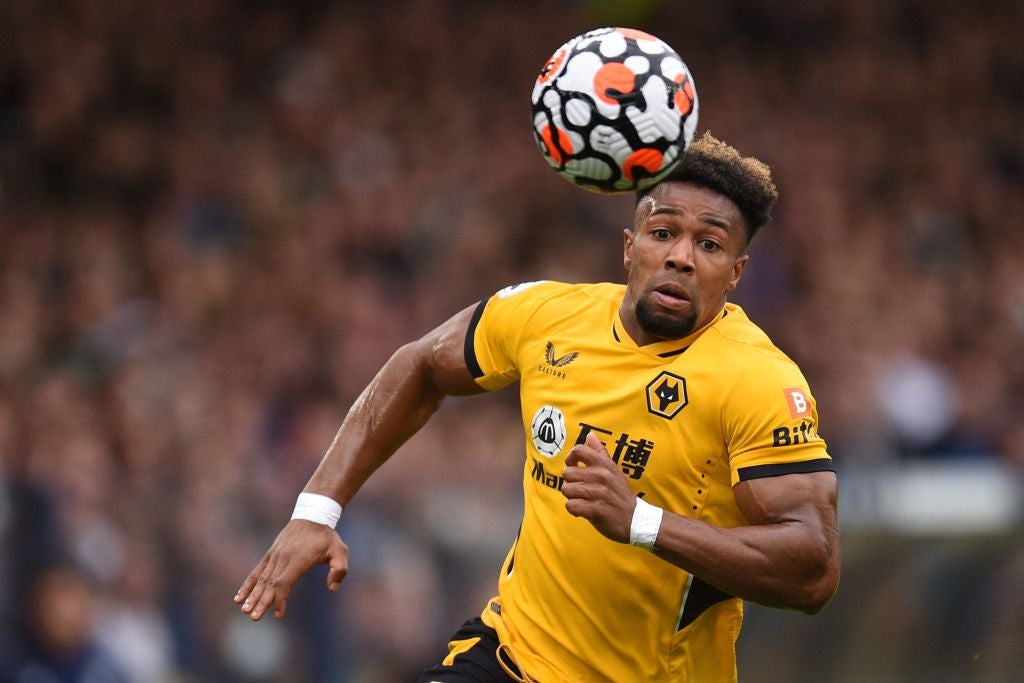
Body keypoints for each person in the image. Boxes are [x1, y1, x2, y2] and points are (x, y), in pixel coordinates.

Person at [235, 133, 840, 682]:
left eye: (708, 244)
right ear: (629, 247)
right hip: (513, 657)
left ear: (735, 273)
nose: (681, 256)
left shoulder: (758, 380)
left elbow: (813, 570)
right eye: (663, 233)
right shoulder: (548, 317)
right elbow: (419, 365)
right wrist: (316, 511)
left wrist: (641, 522)